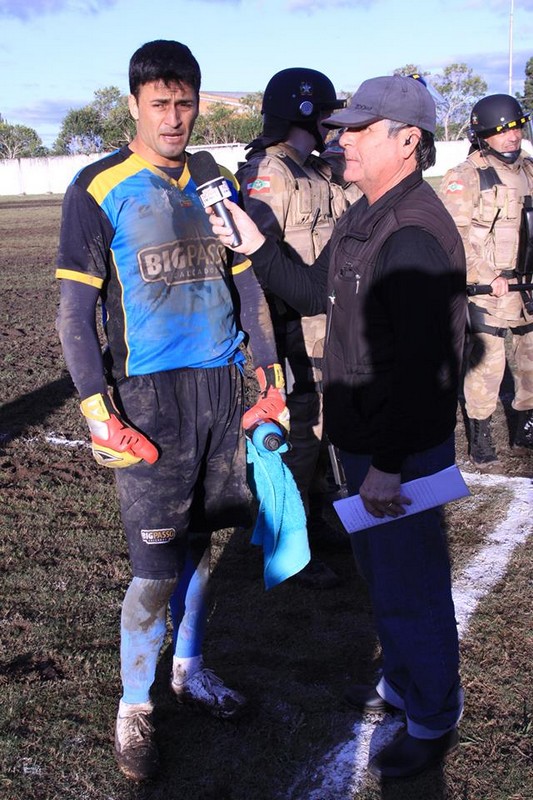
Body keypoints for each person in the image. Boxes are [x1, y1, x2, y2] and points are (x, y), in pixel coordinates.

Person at [207, 74, 467, 780]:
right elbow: (308, 290)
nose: (338, 137)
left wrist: (386, 462)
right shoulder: (363, 213)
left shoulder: (413, 231)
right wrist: (254, 240)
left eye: (357, 128)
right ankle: (404, 684)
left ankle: (433, 714)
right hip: (359, 440)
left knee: (410, 587)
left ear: (406, 141)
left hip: (398, 453)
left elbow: (423, 370)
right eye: (340, 126)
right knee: (382, 579)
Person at [55, 40, 288, 783]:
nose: (175, 117)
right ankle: (134, 707)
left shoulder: (215, 177)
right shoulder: (97, 187)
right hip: (150, 399)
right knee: (154, 565)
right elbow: (73, 314)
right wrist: (98, 411)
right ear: (133, 106)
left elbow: (247, 281)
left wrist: (270, 374)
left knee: (202, 543)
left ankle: (188, 669)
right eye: (160, 103)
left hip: (222, 387)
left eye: (185, 102)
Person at [236, 68, 356, 589]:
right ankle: (290, 543)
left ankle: (312, 518)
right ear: (308, 112)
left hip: (322, 332)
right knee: (296, 437)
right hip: (289, 333)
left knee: (320, 432)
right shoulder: (270, 173)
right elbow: (254, 259)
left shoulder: (315, 171)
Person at [439, 94, 533, 471]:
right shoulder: (465, 177)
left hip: (527, 285)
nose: (512, 136)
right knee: (487, 365)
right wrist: (484, 275)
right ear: (483, 135)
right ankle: (481, 433)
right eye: (502, 130)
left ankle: (525, 425)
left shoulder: (529, 169)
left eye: (516, 127)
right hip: (487, 288)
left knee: (529, 361)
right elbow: (453, 237)